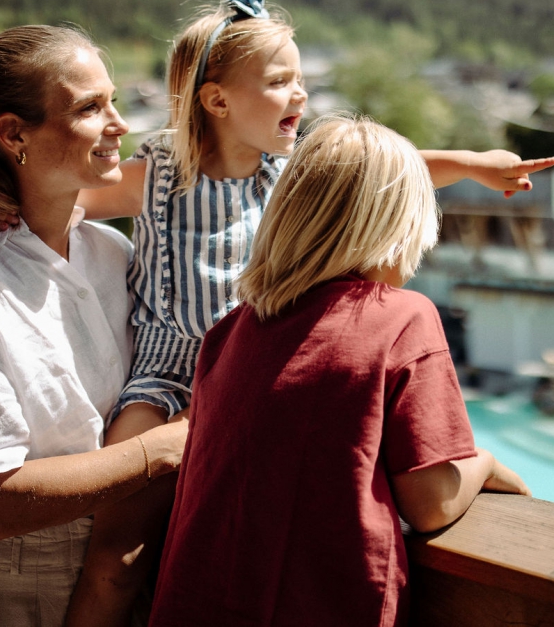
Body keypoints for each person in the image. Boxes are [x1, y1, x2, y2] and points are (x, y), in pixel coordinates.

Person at [0, 0, 554, 627]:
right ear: (217, 100)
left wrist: (470, 165)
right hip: (168, 373)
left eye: (299, 79)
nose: (300, 94)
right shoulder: (160, 174)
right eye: (280, 81)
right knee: (120, 556)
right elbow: (54, 206)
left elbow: (383, 169)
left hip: (247, 371)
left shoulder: (283, 174)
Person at [148, 115, 531, 627]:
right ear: (400, 226)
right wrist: (485, 463)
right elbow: (432, 503)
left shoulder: (234, 329)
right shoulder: (402, 317)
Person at [0, 25, 188, 627]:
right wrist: (161, 450)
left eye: (113, 101)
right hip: (2, 592)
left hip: (124, 570)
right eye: (90, 107)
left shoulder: (111, 253)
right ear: (14, 134)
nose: (120, 123)